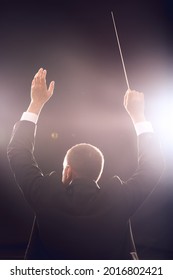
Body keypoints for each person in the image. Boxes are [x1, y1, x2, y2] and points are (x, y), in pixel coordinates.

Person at [7, 68, 164, 260]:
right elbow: (153, 165)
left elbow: (18, 152)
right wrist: (139, 116)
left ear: (68, 171)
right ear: (97, 174)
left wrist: (35, 103)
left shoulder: (46, 195)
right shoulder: (118, 200)